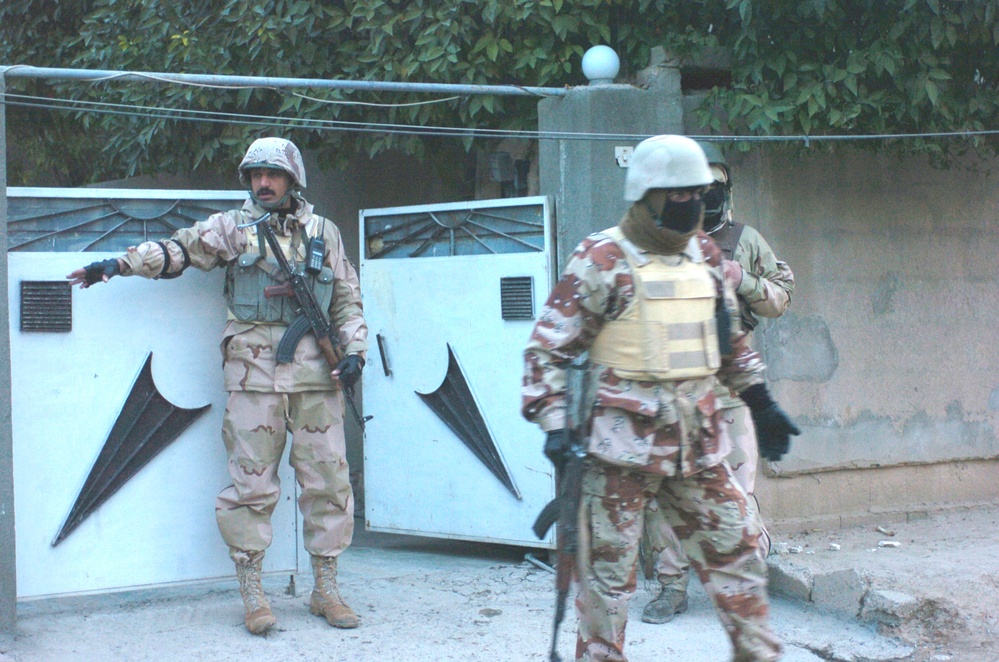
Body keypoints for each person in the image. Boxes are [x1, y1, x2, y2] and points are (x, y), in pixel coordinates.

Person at [67, 137, 368, 636]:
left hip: (318, 375)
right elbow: (178, 251)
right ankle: (253, 594)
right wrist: (115, 266)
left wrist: (355, 354)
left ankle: (326, 589)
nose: (263, 183)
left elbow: (347, 298)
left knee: (330, 481)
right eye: (255, 175)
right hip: (253, 377)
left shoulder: (324, 232)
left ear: (293, 179)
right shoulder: (233, 229)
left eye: (272, 175)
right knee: (251, 485)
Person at [521, 134, 799, 661]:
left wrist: (761, 402)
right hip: (620, 454)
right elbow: (546, 353)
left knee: (740, 564)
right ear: (645, 197)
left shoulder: (706, 255)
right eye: (677, 195)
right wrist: (555, 426)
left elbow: (728, 341)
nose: (692, 204)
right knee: (606, 587)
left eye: (697, 192)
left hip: (700, 448)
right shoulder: (603, 258)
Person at [639, 141, 796, 625]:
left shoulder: (745, 240)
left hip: (730, 394)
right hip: (670, 395)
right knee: (666, 498)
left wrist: (740, 279)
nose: (699, 200)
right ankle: (671, 588)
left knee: (736, 495)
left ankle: (745, 580)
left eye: (709, 190)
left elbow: (781, 295)